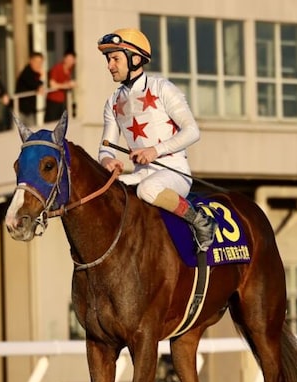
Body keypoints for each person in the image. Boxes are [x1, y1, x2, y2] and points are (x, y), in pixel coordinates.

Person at [96, 29, 217, 252]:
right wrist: (107, 162)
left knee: (147, 190)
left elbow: (192, 131)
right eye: (108, 59)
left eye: (115, 59)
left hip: (174, 172)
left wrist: (155, 150)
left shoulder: (163, 88)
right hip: (140, 174)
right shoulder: (112, 101)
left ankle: (200, 221)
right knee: (106, 193)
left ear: (136, 59)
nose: (109, 65)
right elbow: (105, 148)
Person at [44, 49, 77, 123]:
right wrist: (67, 85)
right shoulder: (57, 68)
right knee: (51, 123)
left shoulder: (69, 70)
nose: (70, 62)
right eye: (68, 59)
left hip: (62, 101)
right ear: (64, 59)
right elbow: (52, 84)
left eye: (71, 60)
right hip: (53, 101)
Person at [15, 52, 46, 127]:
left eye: (40, 62)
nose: (39, 65)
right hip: (20, 110)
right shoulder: (27, 72)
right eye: (36, 62)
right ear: (30, 61)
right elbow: (32, 83)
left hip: (29, 110)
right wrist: (41, 79)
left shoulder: (34, 73)